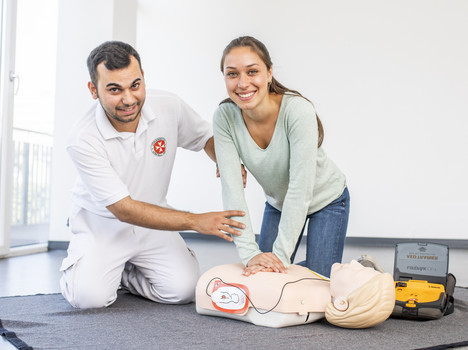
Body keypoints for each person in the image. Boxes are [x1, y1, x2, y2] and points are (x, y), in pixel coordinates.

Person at [60, 41, 246, 309]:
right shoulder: (82, 139)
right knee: (88, 299)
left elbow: (205, 136)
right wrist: (195, 221)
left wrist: (228, 163)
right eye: (114, 89)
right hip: (102, 226)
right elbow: (124, 209)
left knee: (183, 290)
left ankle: (124, 273)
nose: (128, 99)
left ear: (143, 77)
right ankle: (87, 269)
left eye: (135, 85)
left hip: (154, 222)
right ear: (93, 90)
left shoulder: (168, 106)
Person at [213, 36, 350, 278]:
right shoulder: (225, 117)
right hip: (279, 204)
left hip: (326, 200)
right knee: (264, 276)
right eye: (232, 74)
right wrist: (250, 255)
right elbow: (232, 190)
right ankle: (311, 269)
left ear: (269, 73)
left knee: (318, 285)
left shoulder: (297, 111)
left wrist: (279, 257)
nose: (243, 83)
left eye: (252, 71)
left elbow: (301, 188)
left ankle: (349, 272)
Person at [195, 257, 395, 329]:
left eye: (358, 271)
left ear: (342, 303)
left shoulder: (295, 296)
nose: (353, 263)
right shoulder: (321, 282)